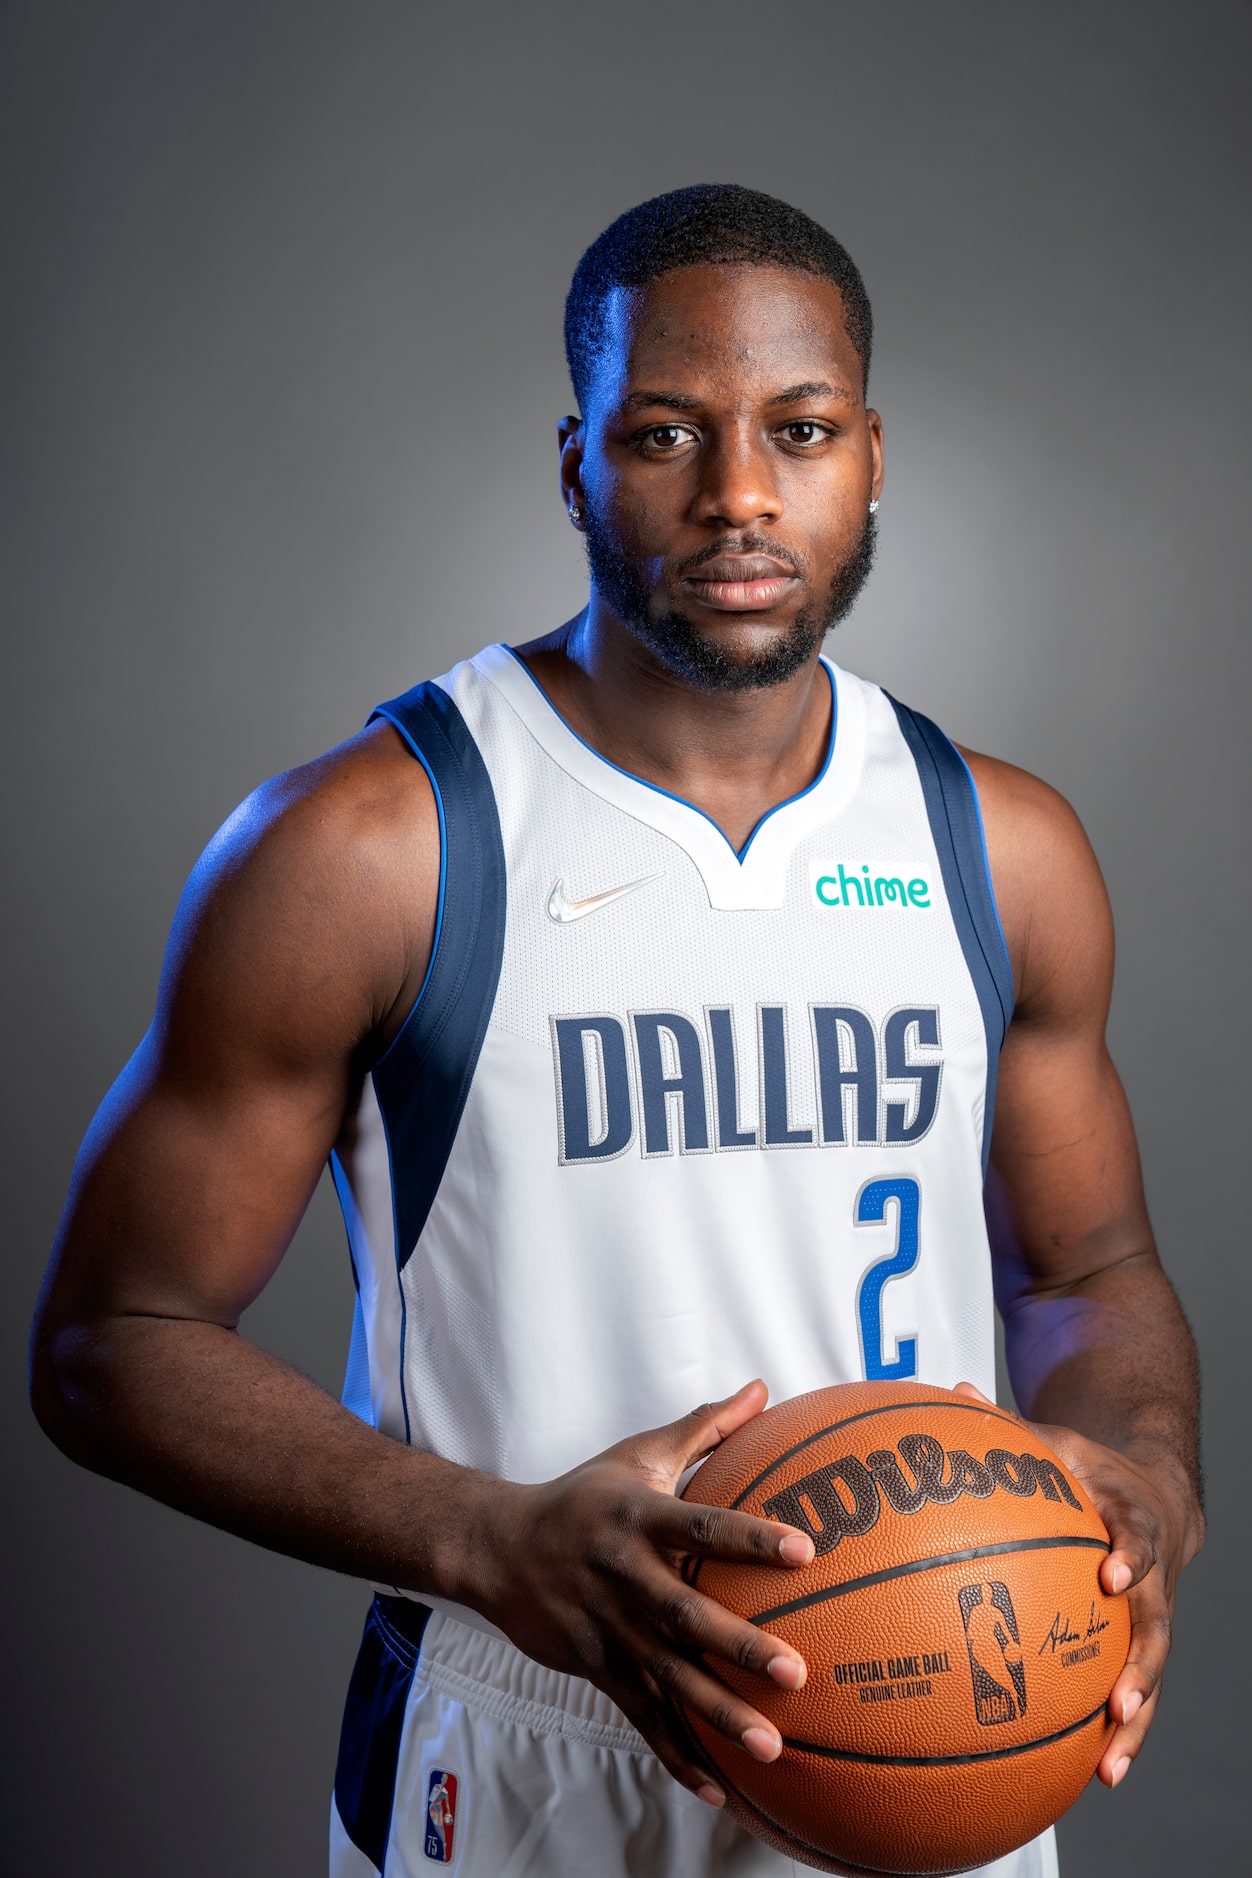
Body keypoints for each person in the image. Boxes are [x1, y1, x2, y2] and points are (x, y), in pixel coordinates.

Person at [30, 184, 1203, 1878]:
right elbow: (108, 1339)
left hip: (940, 1706)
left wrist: (1145, 1486)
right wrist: (493, 1536)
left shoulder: (998, 847)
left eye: (797, 432)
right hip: (526, 1732)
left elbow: (1089, 1272)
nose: (739, 495)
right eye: (666, 432)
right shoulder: (376, 846)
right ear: (576, 460)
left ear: (872, 456)